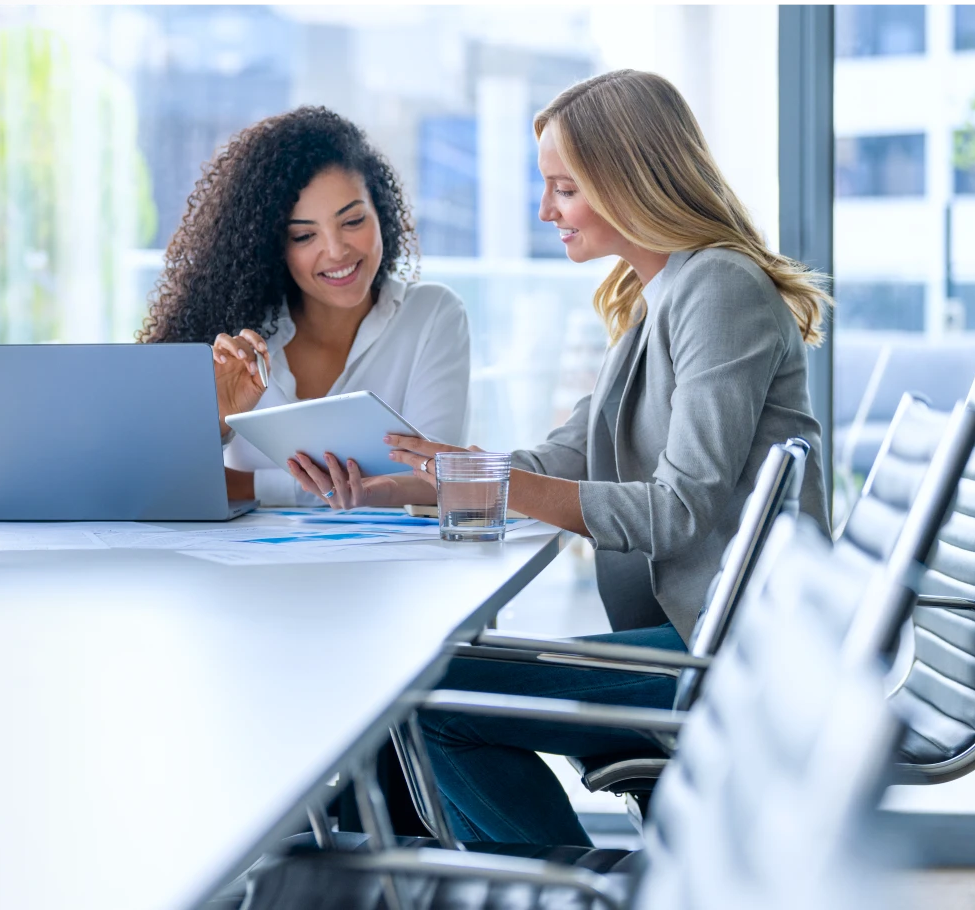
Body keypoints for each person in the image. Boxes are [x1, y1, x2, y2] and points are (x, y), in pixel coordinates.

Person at [293, 70, 832, 846]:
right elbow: (564, 455)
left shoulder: (718, 291)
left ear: (629, 181)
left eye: (564, 188)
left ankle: (573, 893)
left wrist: (503, 485)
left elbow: (679, 512)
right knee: (436, 689)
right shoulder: (662, 296)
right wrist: (390, 486)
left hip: (740, 651)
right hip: (708, 635)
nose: (546, 210)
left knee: (435, 695)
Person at [139, 107, 470, 508]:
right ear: (271, 247)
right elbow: (154, 481)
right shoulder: (231, 340)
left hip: (386, 567)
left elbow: (444, 479)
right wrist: (217, 421)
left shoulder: (432, 315)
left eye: (352, 221)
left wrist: (246, 486)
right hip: (245, 567)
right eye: (303, 236)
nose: (336, 250)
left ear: (380, 212)